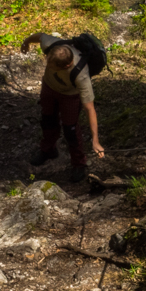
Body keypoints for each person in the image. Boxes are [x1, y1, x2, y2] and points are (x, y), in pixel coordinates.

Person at [21, 32, 105, 182]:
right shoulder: (53, 45)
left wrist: (95, 140)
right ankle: (48, 150)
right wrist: (26, 41)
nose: (48, 65)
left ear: (67, 65)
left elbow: (90, 109)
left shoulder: (81, 75)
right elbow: (40, 35)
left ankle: (79, 163)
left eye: (53, 66)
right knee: (47, 120)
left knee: (70, 130)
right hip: (49, 87)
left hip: (70, 96)